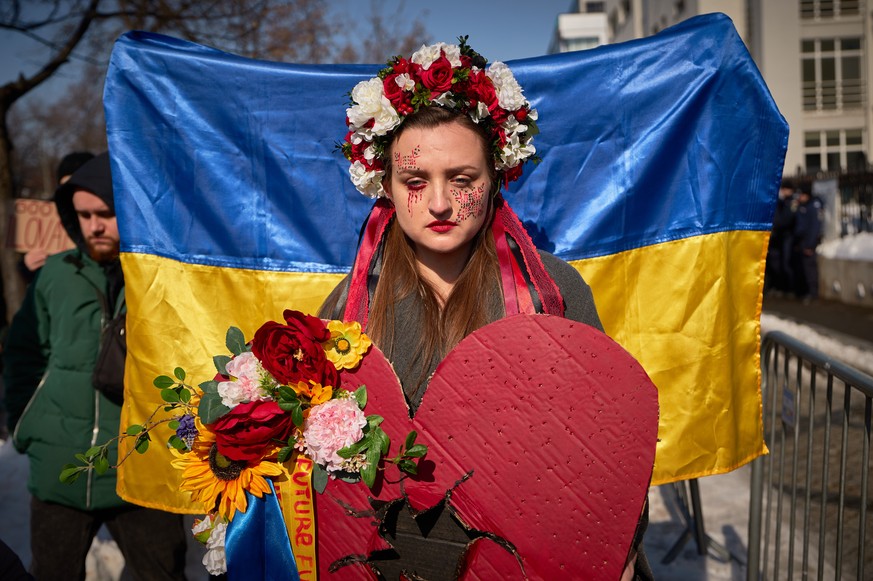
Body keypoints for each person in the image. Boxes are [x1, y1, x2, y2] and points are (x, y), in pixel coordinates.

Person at [320, 40, 653, 580]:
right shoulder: (348, 309)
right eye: (415, 181)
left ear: (496, 177)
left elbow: (611, 447)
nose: (440, 204)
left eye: (462, 179)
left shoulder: (556, 292)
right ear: (384, 184)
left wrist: (617, 550)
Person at [2, 152, 188, 580]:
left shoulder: (163, 275)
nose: (94, 226)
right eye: (83, 215)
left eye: (105, 213)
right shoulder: (53, 275)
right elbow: (23, 354)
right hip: (59, 472)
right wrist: (27, 425)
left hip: (139, 470)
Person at [792, 183, 823, 302]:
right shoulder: (801, 206)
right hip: (801, 241)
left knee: (809, 269)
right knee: (802, 268)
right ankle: (805, 291)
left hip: (808, 242)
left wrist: (810, 245)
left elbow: (814, 228)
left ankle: (813, 293)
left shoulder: (812, 207)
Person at [764, 178, 796, 296]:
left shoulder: (790, 202)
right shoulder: (781, 202)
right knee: (776, 263)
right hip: (779, 236)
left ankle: (789, 289)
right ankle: (779, 287)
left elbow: (786, 219)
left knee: (786, 264)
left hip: (787, 236)